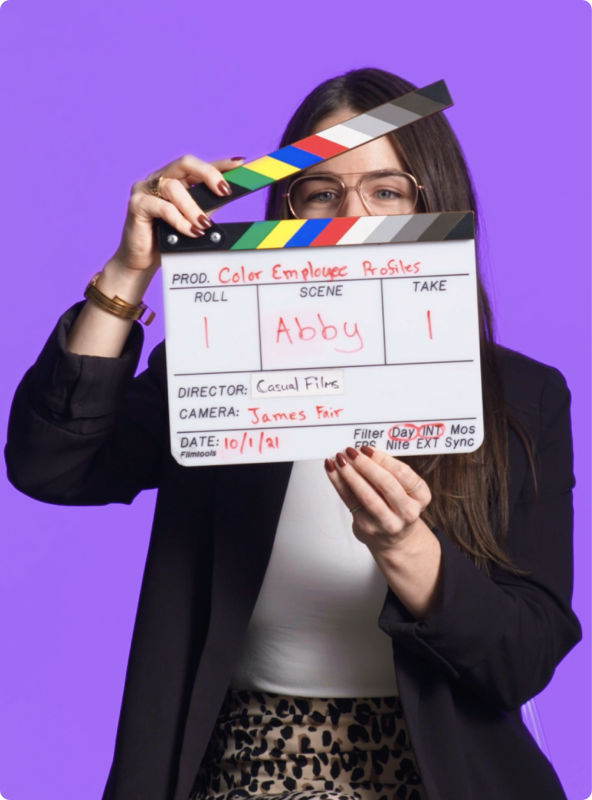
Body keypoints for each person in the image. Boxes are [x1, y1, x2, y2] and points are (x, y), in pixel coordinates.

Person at [4, 68, 581, 800]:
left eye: (386, 191)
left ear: (431, 203)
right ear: (286, 211)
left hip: (443, 776)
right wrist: (128, 271)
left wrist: (409, 549)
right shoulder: (222, 371)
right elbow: (50, 466)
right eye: (320, 193)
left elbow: (523, 659)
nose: (351, 216)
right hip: (245, 765)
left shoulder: (521, 398)